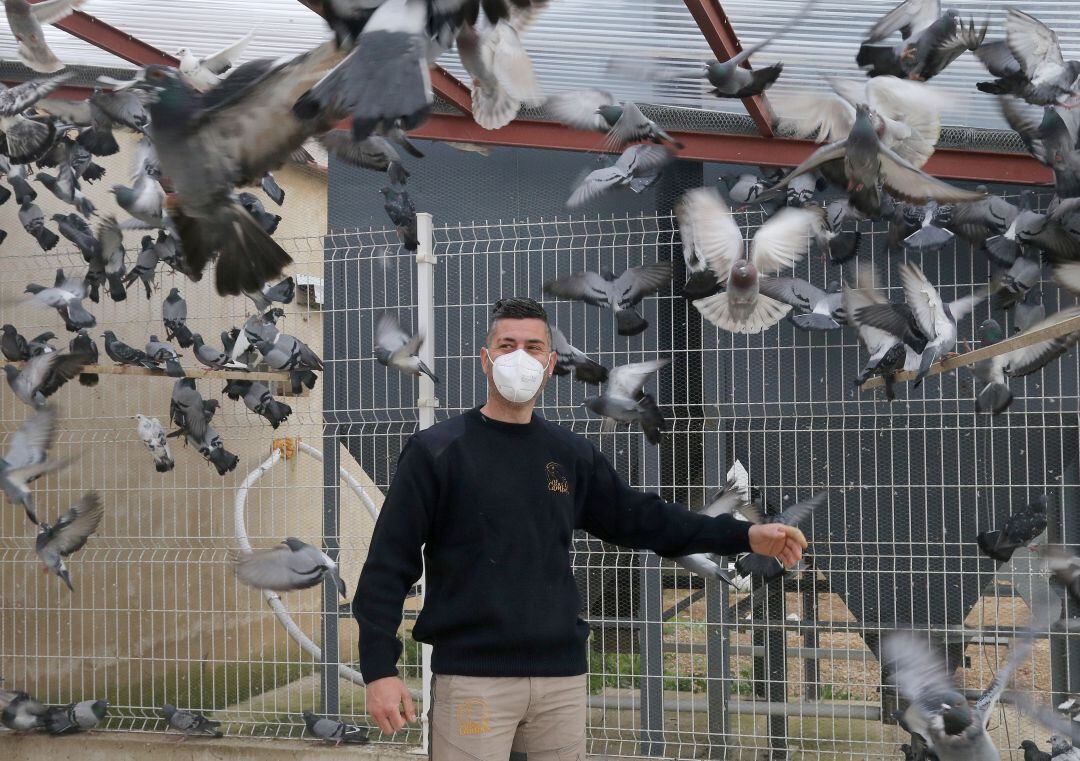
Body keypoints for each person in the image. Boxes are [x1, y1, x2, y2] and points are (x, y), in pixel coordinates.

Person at [353, 297, 807, 760]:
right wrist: (379, 670)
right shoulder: (437, 451)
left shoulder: (570, 454)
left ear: (551, 364)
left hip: (561, 679)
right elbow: (389, 563)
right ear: (486, 360)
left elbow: (642, 519)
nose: (519, 357)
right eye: (506, 344)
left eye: (533, 347)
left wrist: (744, 536)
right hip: (474, 678)